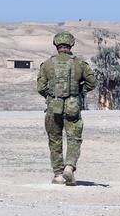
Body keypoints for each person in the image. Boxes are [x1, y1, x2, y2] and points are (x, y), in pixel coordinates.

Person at [37, 31, 96, 185]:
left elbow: (41, 87)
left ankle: (57, 174)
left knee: (54, 140)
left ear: (56, 44)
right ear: (71, 44)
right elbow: (92, 83)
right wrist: (78, 92)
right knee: (74, 139)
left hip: (53, 108)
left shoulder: (47, 64)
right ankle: (69, 167)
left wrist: (50, 97)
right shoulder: (80, 64)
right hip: (73, 107)